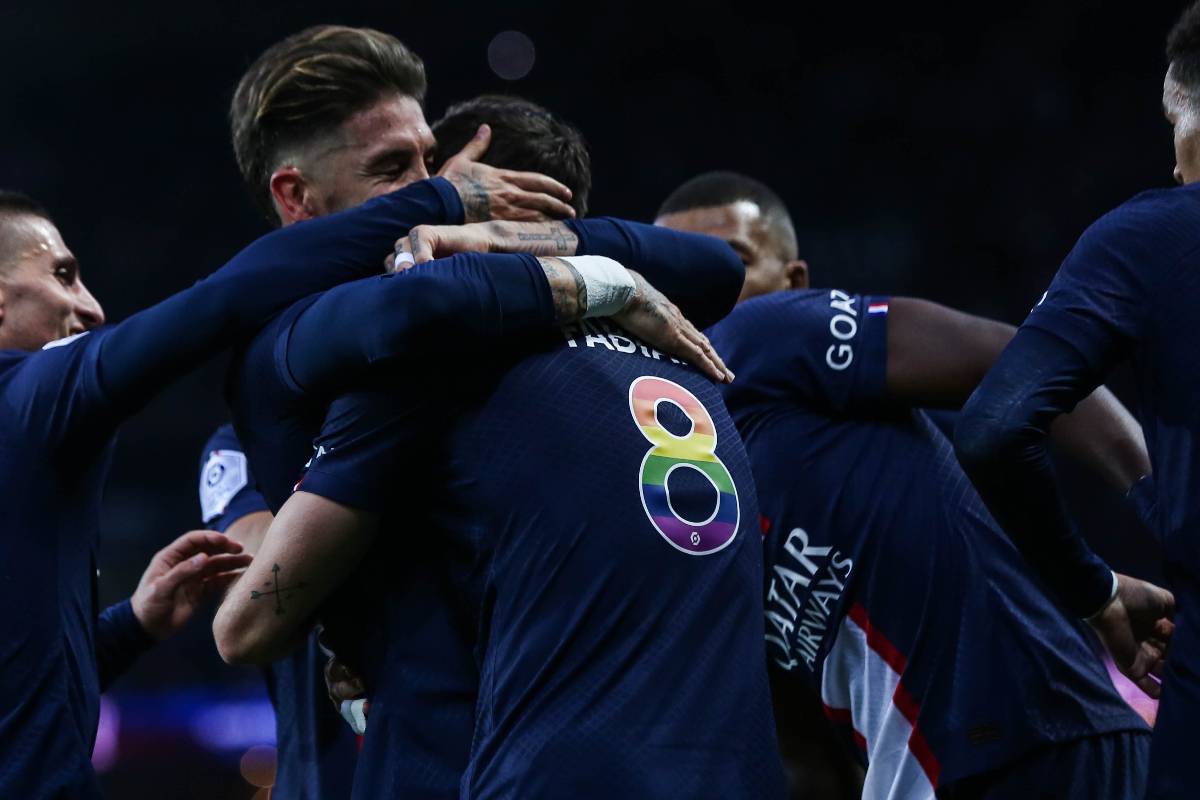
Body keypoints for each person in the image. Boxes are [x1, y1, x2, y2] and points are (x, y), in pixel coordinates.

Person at [658, 171, 1155, 798]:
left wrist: (1161, 499)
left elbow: (1019, 362)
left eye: (730, 265)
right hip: (958, 760)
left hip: (1016, 745)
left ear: (795, 284)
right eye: (671, 276)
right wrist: (1086, 582)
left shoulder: (758, 336)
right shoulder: (691, 471)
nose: (698, 294)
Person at [0, 170, 475, 798]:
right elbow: (219, 301)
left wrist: (130, 627)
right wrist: (450, 199)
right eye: (62, 275)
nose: (91, 306)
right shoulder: (20, 398)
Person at [200, 27, 584, 797]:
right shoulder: (246, 435)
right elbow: (250, 620)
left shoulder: (525, 379)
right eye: (393, 169)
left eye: (429, 166)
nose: (441, 193)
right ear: (295, 197)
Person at [954, 5, 1200, 797]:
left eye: (1172, 120)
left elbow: (994, 428)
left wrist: (1092, 590)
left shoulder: (1150, 236)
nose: (1171, 162)